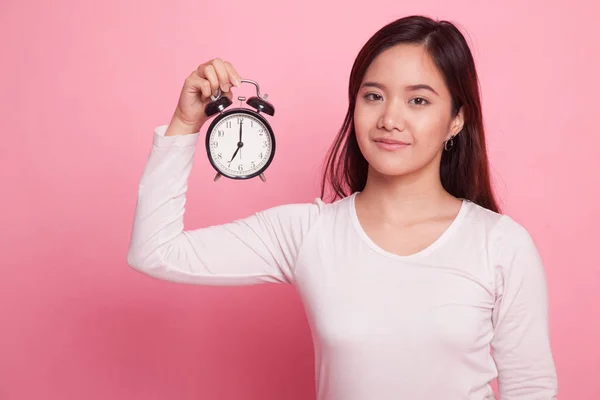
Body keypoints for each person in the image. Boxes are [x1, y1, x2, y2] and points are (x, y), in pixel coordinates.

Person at [126, 15, 558, 400]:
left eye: (418, 100)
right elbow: (155, 252)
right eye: (373, 96)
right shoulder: (309, 232)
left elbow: (531, 389)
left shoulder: (501, 245)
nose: (390, 118)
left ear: (457, 119)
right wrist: (185, 124)